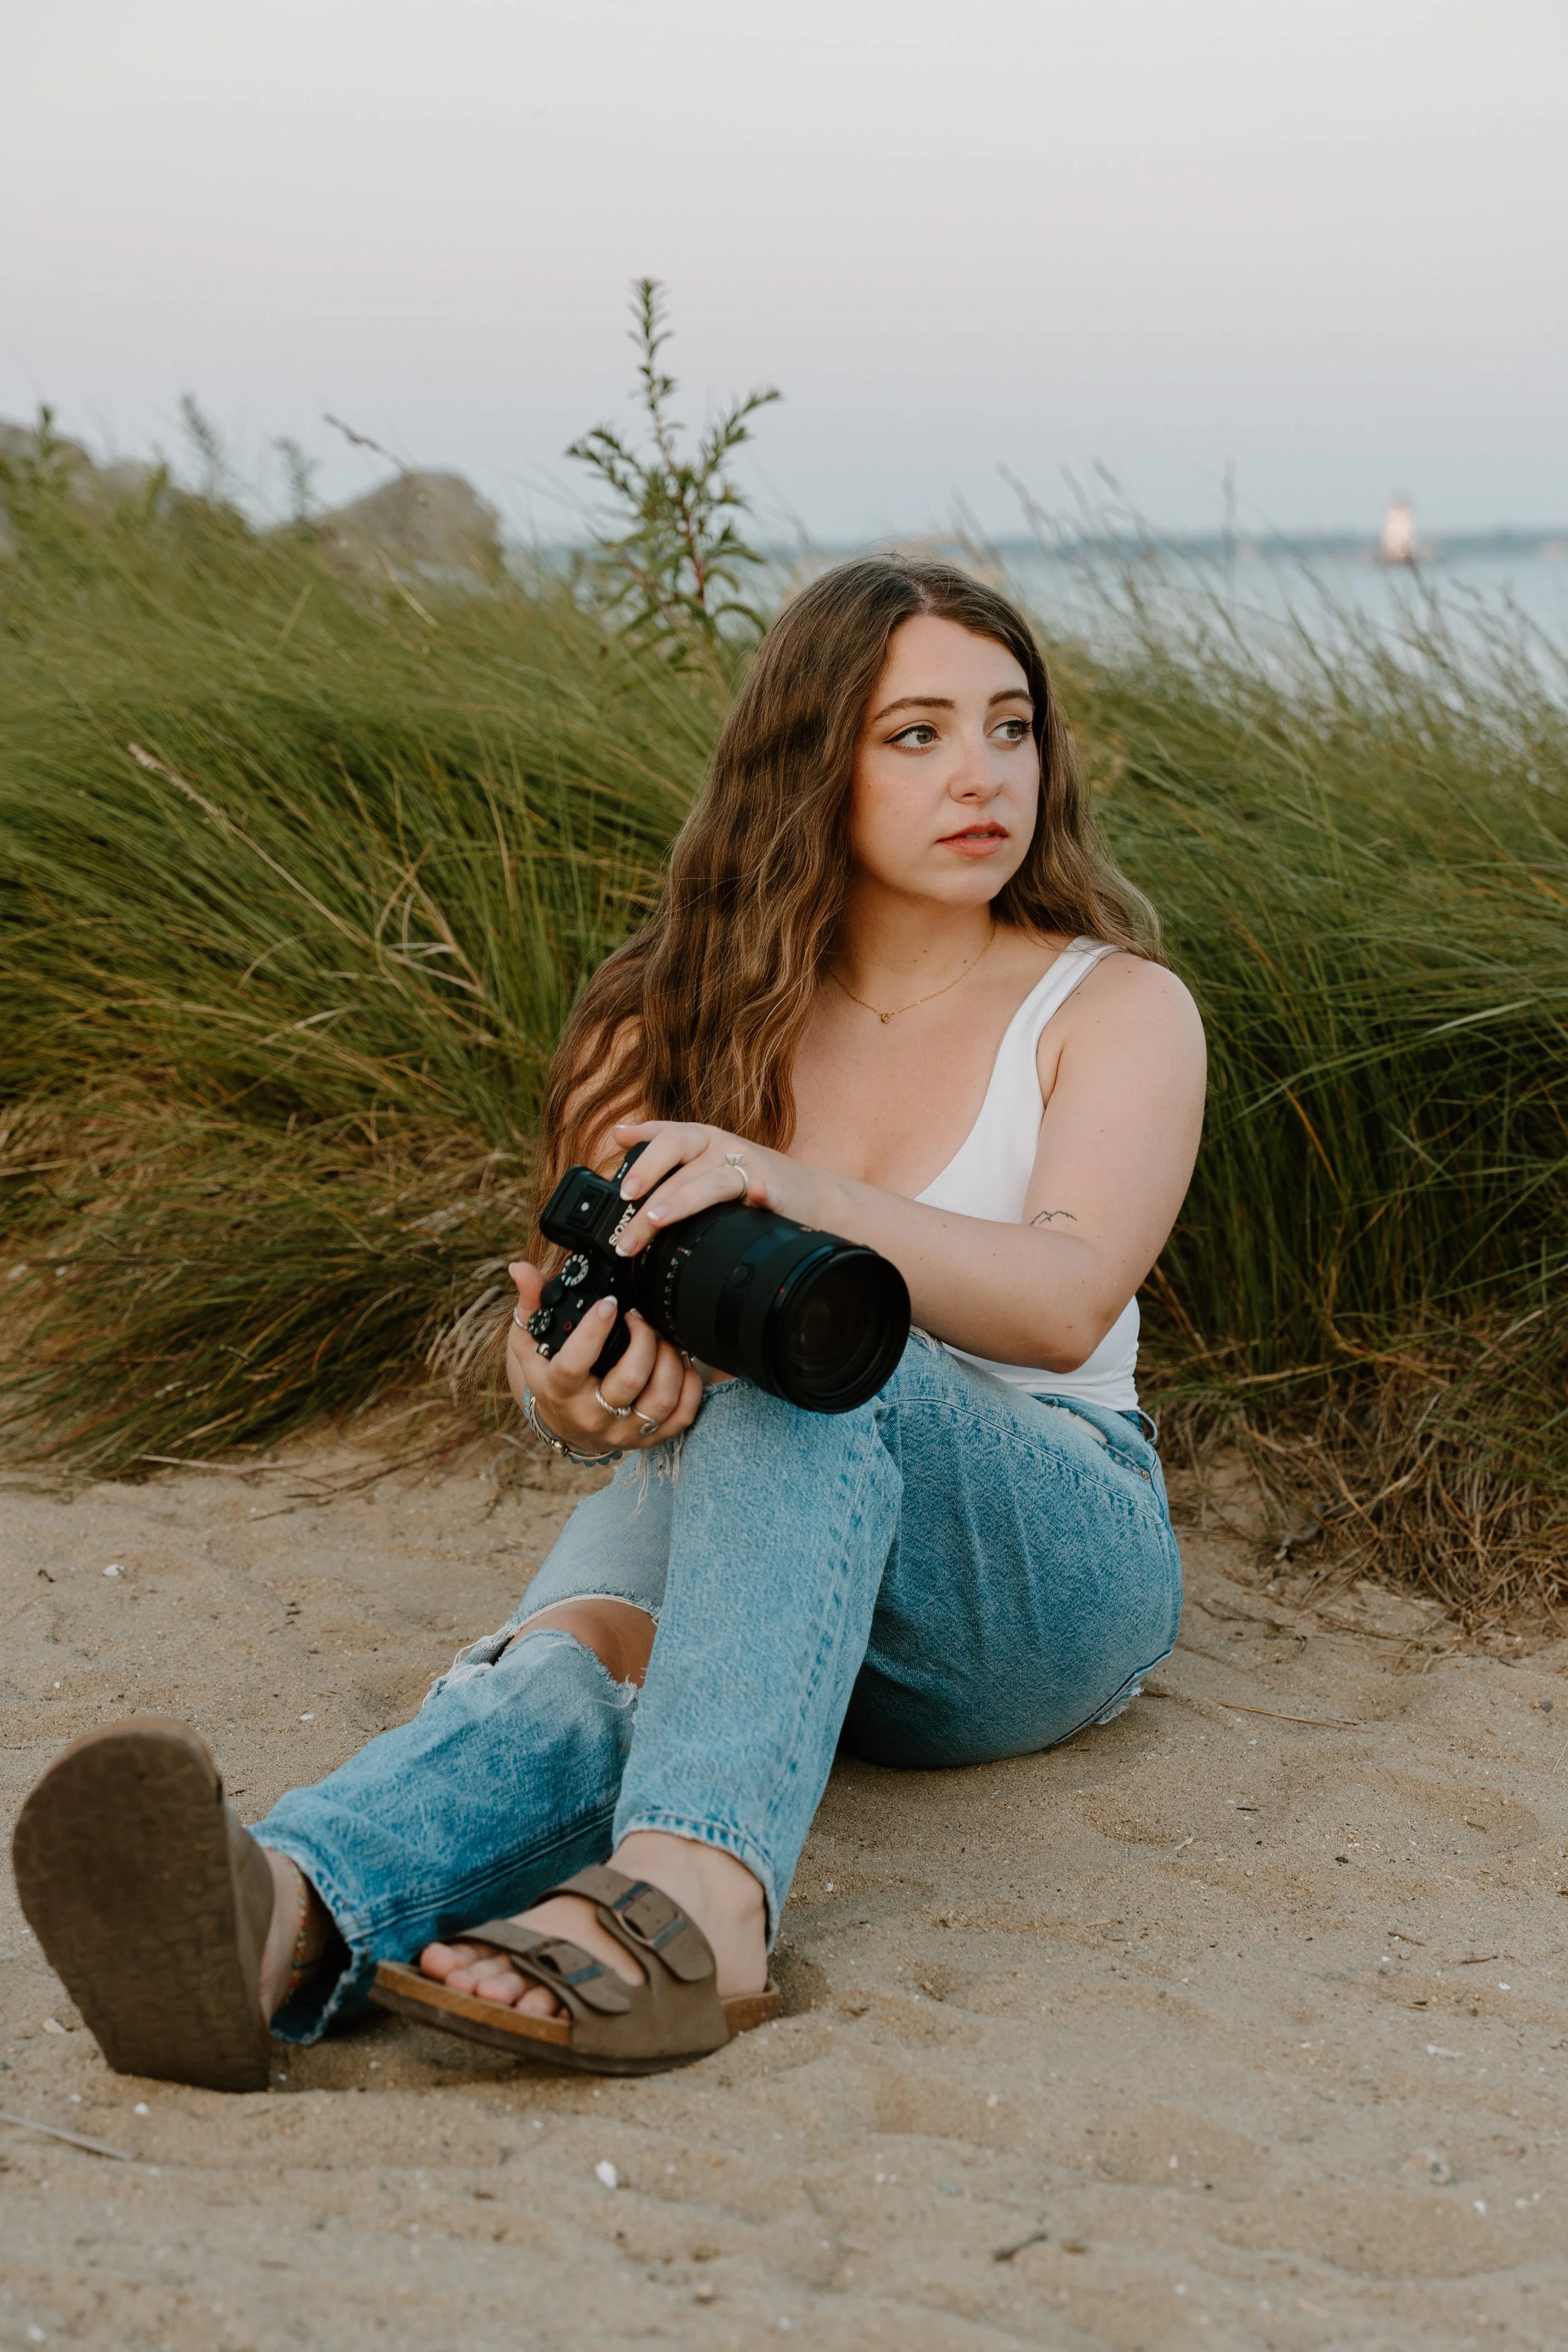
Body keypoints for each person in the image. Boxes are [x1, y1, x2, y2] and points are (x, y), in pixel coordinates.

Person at [11, 556, 1205, 2087]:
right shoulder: (670, 1014)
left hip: (1040, 1571)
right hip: (761, 1534)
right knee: (575, 1664)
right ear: (809, 762)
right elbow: (554, 1314)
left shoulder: (1107, 1007)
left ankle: (698, 1905)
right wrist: (568, 1394)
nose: (980, 775)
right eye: (914, 735)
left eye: (1008, 726)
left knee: (813, 1351)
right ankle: (285, 1911)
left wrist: (789, 1193)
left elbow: (1060, 1301)